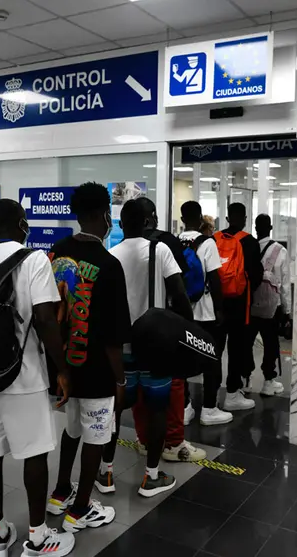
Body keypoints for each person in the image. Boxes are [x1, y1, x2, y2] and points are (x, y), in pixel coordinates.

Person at [0, 199, 75, 557]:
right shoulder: (33, 260)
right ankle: (37, 536)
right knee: (34, 453)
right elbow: (46, 320)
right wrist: (61, 369)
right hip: (23, 374)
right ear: (21, 223)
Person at [45, 183, 130, 533]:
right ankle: (80, 509)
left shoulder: (56, 252)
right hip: (96, 369)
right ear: (102, 214)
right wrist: (121, 379)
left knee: (72, 429)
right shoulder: (109, 265)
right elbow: (112, 336)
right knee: (97, 435)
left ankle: (60, 492)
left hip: (65, 366)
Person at [101, 199, 194, 497]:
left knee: (114, 411)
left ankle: (106, 472)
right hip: (155, 347)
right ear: (148, 220)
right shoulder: (160, 250)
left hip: (120, 349)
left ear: (121, 224)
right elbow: (179, 295)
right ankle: (151, 476)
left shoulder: (110, 254)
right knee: (156, 411)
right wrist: (187, 332)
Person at [135, 197, 206, 462]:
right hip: (163, 324)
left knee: (142, 386)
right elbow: (180, 287)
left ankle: (145, 440)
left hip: (134, 326)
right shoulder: (165, 243)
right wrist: (187, 325)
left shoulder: (120, 247)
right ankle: (174, 444)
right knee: (174, 383)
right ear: (151, 216)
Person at [178, 201, 232, 426]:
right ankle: (209, 409)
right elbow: (214, 279)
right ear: (200, 218)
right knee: (212, 359)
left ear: (182, 220)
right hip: (206, 313)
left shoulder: (175, 241)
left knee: (182, 361)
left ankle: (185, 407)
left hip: (183, 311)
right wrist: (220, 309)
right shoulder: (208, 242)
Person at [214, 202, 263, 412]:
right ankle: (232, 394)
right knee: (236, 349)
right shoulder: (250, 242)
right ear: (244, 219)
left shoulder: (214, 239)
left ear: (227, 218)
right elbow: (256, 275)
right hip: (240, 304)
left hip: (216, 304)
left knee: (214, 349)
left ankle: (210, 395)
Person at [250, 214, 291, 396]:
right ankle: (268, 382)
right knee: (270, 344)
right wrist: (287, 309)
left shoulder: (249, 247)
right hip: (271, 307)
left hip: (249, 306)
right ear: (271, 227)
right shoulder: (280, 250)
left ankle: (245, 379)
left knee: (246, 343)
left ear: (256, 227)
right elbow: (285, 284)